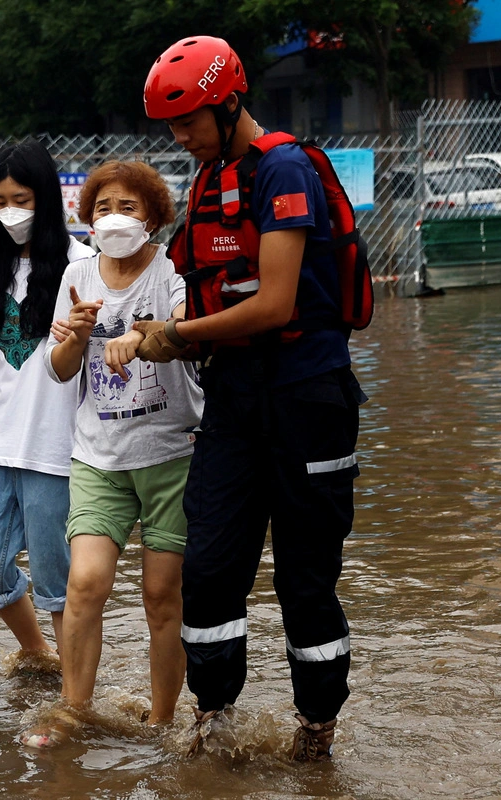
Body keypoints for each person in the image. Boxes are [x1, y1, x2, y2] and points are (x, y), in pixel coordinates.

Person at [139, 37, 366, 761]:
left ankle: (317, 732)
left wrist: (175, 335)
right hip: (234, 398)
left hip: (307, 396)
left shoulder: (284, 169)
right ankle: (214, 719)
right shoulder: (210, 179)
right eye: (171, 126)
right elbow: (192, 287)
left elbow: (273, 303)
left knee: (305, 579)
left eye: (188, 121)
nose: (180, 138)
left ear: (227, 100)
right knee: (207, 568)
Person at [23, 160, 204, 748]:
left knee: (160, 595)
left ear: (152, 215)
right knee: (86, 583)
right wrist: (75, 337)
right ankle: (73, 710)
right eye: (102, 209)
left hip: (171, 453)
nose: (114, 218)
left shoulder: (172, 272)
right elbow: (58, 369)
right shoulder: (78, 274)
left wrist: (141, 334)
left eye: (128, 207)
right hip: (98, 455)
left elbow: (184, 323)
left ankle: (163, 721)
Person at [0, 140, 93, 661]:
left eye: (23, 199)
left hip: (58, 451)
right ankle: (39, 654)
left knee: (59, 580)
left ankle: (75, 690)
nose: (11, 211)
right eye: (1, 199)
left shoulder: (84, 266)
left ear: (48, 199)